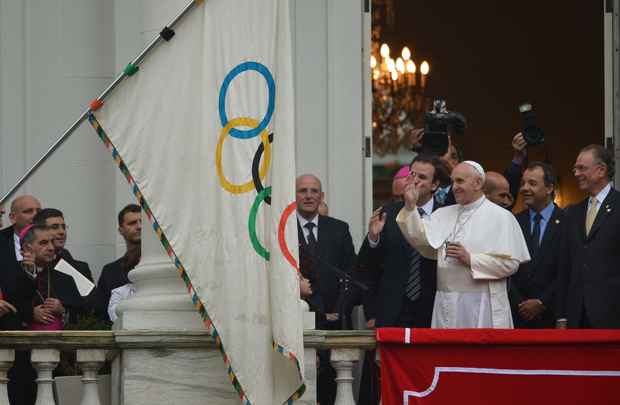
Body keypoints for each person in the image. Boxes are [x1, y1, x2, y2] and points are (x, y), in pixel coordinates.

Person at [397, 161, 530, 328]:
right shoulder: (443, 214)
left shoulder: (501, 217)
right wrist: (410, 206)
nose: (454, 187)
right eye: (453, 182)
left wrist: (470, 259)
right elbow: (423, 244)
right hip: (447, 304)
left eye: (460, 181)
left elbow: (510, 264)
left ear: (478, 183)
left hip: (482, 305)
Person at [357, 155, 444, 328]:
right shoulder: (388, 214)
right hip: (392, 310)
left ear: (435, 185)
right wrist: (373, 239)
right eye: (412, 175)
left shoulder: (445, 215)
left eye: (422, 177)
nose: (415, 181)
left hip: (433, 309)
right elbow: (366, 268)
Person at [296, 174, 355, 405]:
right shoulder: (282, 229)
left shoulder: (339, 229)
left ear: (321, 196)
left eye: (313, 191)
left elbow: (351, 273)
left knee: (331, 390)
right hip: (298, 321)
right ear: (294, 196)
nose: (309, 195)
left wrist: (338, 310)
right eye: (303, 190)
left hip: (334, 323)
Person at [558, 144, 620, 328]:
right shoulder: (572, 213)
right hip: (577, 315)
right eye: (575, 169)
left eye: (582, 168)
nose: (576, 173)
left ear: (601, 170)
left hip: (613, 313)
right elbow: (565, 266)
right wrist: (561, 316)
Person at [509, 162, 565, 328]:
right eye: (523, 183)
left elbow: (567, 270)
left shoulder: (568, 222)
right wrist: (520, 304)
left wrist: (542, 302)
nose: (524, 188)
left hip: (552, 316)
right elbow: (505, 266)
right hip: (517, 316)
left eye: (532, 183)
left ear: (549, 188)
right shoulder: (514, 222)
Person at [93, 204, 142, 324]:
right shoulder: (110, 271)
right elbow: (102, 315)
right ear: (121, 230)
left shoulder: (165, 263)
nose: (139, 226)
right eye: (132, 223)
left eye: (142, 222)